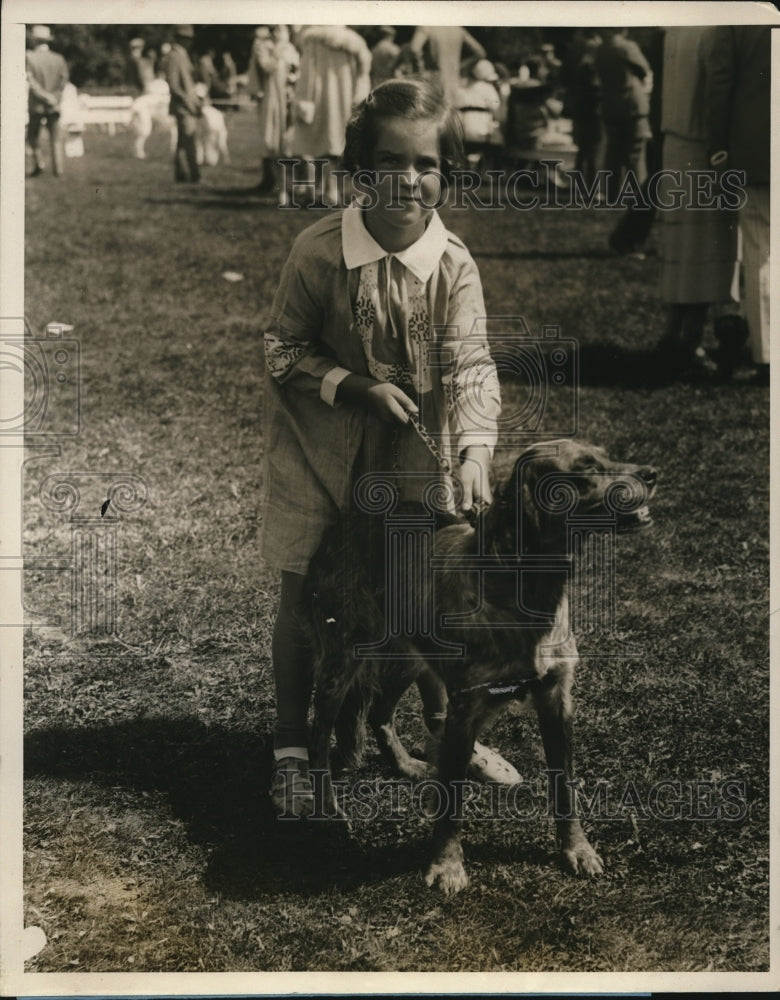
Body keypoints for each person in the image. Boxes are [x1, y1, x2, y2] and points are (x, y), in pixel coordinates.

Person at [261, 78, 517, 816]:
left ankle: (445, 727)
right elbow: (281, 350)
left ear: (448, 170)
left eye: (427, 162)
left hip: (413, 453)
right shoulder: (317, 253)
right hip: (320, 447)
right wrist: (351, 384)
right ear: (359, 169)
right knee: (304, 590)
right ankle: (290, 746)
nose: (408, 178)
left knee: (420, 588)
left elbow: (471, 364)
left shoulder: (453, 264)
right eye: (388, 161)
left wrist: (473, 451)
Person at [655, 27, 738, 375]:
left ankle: (674, 333)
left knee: (681, 247)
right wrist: (721, 148)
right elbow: (717, 92)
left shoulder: (675, 28)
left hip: (672, 144)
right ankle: (689, 340)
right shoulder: (715, 29)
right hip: (700, 146)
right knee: (705, 250)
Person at [704, 25, 771, 385]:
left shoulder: (735, 18)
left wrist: (719, 148)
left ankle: (768, 356)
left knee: (761, 252)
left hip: (756, 149)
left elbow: (719, 85)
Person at [289, 25, 372, 206]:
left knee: (317, 143)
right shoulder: (354, 44)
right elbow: (363, 74)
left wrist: (304, 99)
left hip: (318, 97)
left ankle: (319, 190)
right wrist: (358, 96)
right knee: (335, 143)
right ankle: (331, 190)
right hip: (343, 96)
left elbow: (307, 74)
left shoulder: (313, 40)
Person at [593, 28, 652, 203]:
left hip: (610, 106)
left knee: (613, 153)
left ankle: (612, 195)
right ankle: (640, 197)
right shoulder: (626, 47)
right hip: (631, 104)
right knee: (634, 153)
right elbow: (644, 69)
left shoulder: (600, 49)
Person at [248, 25, 299, 194]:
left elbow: (296, 71)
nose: (279, 32)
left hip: (288, 98)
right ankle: (273, 181)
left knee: (290, 140)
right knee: (271, 140)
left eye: (282, 29)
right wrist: (277, 51)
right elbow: (267, 67)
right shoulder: (263, 47)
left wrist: (293, 82)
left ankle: (296, 185)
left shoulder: (290, 48)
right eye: (276, 29)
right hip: (271, 98)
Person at [26, 24, 69, 177]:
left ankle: (40, 163)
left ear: (35, 40)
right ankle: (58, 170)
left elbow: (31, 83)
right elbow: (63, 83)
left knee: (32, 136)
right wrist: (54, 98)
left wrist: (45, 96)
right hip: (54, 105)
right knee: (56, 138)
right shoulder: (59, 59)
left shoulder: (29, 57)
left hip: (37, 104)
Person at [409, 25, 486, 106]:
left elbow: (414, 48)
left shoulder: (427, 27)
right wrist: (462, 66)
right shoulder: (457, 29)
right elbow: (480, 52)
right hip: (454, 80)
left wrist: (420, 69)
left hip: (433, 79)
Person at [165, 25, 203, 183]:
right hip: (183, 105)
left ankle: (181, 174)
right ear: (179, 38)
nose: (190, 41)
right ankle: (194, 175)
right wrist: (187, 101)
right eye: (186, 38)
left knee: (183, 141)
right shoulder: (174, 56)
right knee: (189, 140)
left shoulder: (182, 54)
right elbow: (174, 85)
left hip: (187, 103)